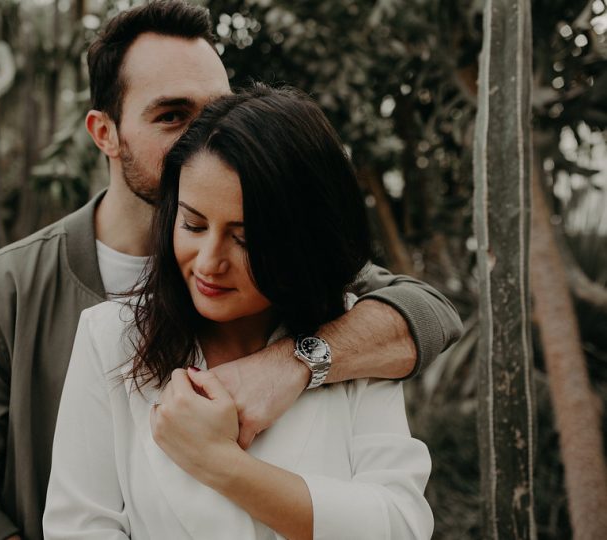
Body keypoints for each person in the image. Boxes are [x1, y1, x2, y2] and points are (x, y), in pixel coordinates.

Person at [0, 2, 461, 540]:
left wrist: (293, 363)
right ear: (104, 132)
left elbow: (426, 314)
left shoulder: (295, 269)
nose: (206, 135)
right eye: (173, 115)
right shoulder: (6, 293)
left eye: (218, 108)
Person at [43, 85, 433, 540]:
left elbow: (400, 525)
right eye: (192, 224)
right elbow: (79, 529)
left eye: (244, 238)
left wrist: (220, 465)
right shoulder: (109, 338)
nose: (209, 262)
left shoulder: (352, 337)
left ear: (303, 239)